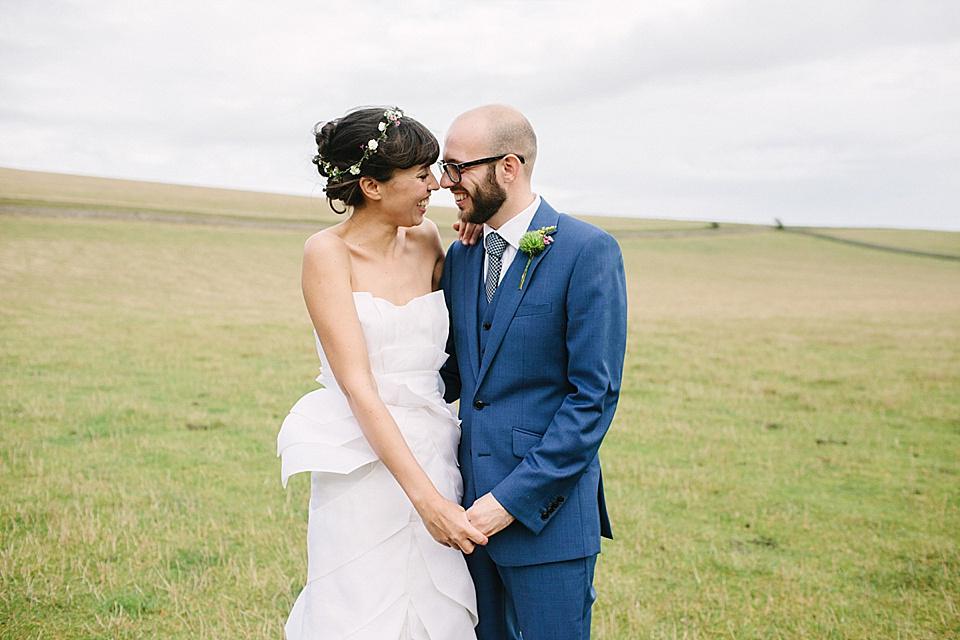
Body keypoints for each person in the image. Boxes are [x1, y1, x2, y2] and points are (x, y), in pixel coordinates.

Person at [277, 106, 486, 640]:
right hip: (362, 462)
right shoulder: (327, 253)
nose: (436, 185)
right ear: (371, 185)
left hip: (436, 445)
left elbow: (467, 324)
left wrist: (481, 229)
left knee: (437, 607)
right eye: (421, 175)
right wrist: (427, 502)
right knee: (359, 607)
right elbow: (357, 386)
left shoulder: (428, 239)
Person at [438, 105, 628, 640]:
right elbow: (456, 375)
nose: (445, 183)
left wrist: (510, 502)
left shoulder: (587, 251)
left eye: (458, 168)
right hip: (464, 519)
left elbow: (593, 398)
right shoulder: (463, 256)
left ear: (508, 167)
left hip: (548, 521)